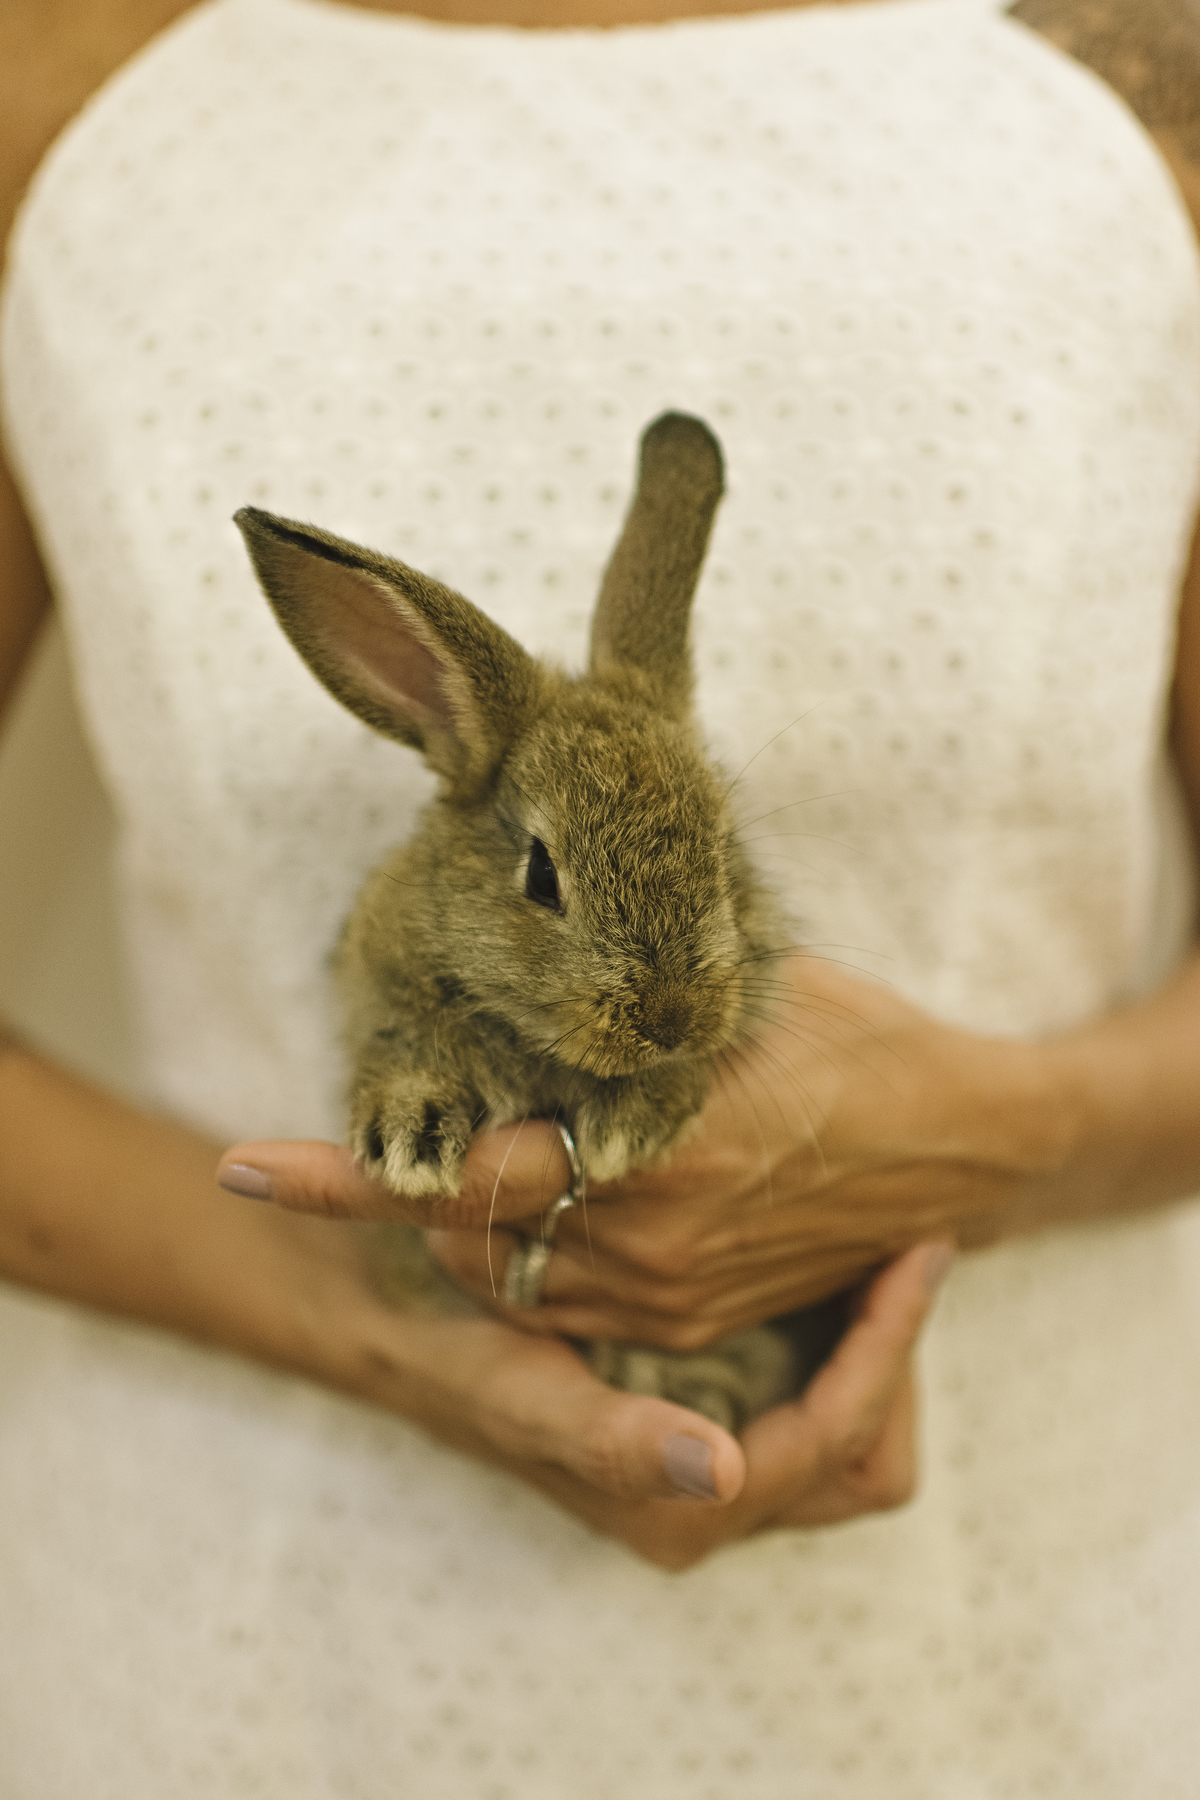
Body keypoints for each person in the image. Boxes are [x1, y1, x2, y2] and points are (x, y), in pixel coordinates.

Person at [1, 0, 1199, 1791]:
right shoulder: (57, 80)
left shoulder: (1145, 74)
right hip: (254, 1637)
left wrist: (1002, 1143)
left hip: (1021, 1613)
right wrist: (371, 1320)